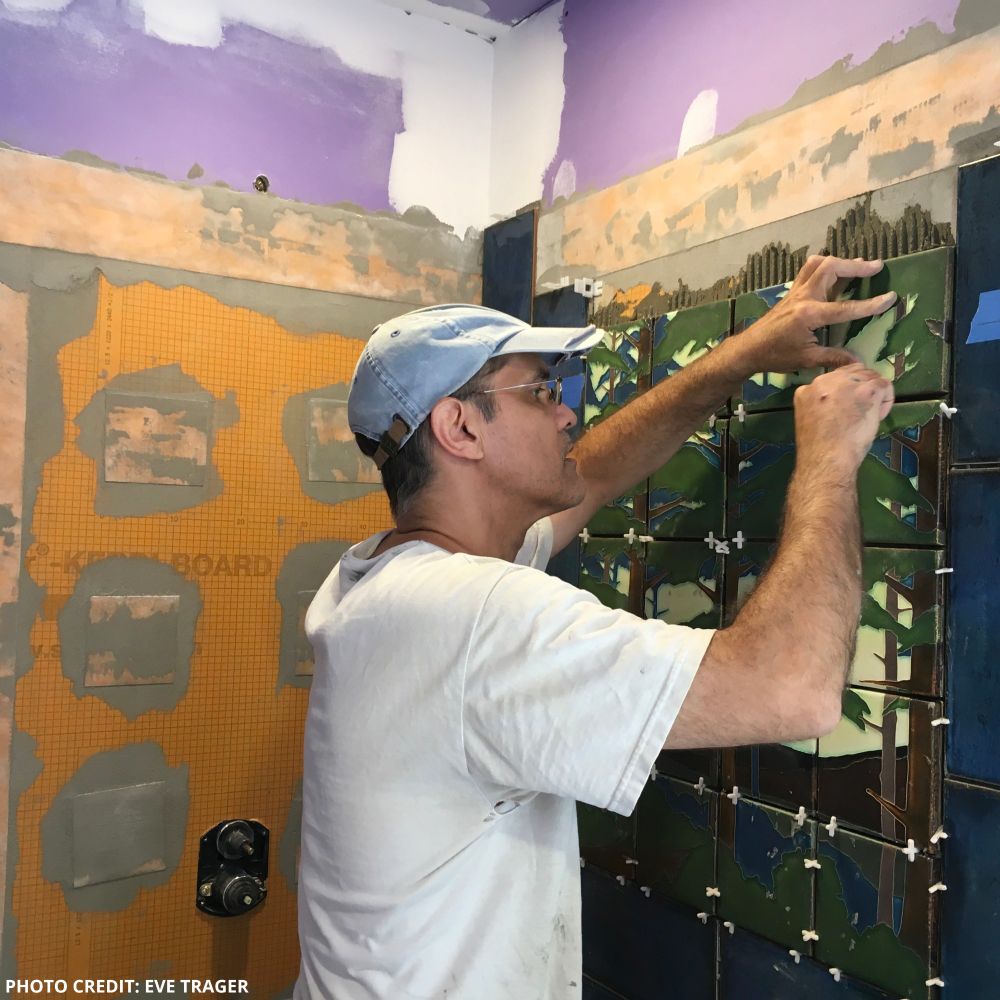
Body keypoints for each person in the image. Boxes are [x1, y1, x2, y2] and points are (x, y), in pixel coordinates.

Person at [293, 255, 897, 999]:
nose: (567, 412)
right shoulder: (475, 617)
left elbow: (599, 470)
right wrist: (832, 459)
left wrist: (746, 354)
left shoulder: (380, 580)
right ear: (459, 428)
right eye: (541, 392)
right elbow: (791, 689)